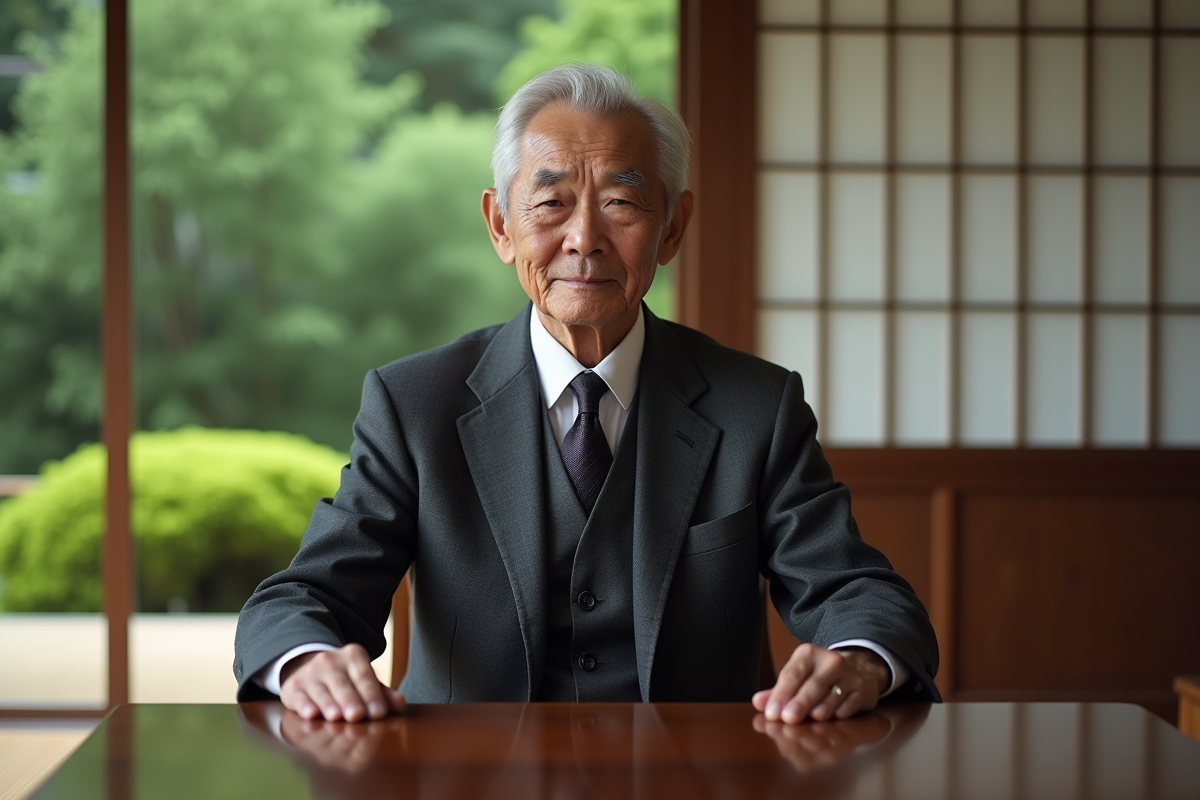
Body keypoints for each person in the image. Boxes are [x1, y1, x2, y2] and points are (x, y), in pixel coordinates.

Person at [234, 64, 939, 726]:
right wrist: (307, 662)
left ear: (673, 227)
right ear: (500, 226)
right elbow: (307, 597)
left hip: (692, 781)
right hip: (468, 778)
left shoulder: (755, 405)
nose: (584, 239)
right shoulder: (415, 403)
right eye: (551, 203)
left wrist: (859, 660)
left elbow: (861, 593)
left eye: (621, 203)